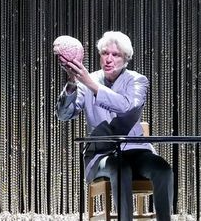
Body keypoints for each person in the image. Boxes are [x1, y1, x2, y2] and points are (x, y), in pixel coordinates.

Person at [55, 31, 173, 221]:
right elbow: (63, 115)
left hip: (137, 151)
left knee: (163, 169)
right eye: (104, 53)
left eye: (115, 55)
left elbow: (127, 105)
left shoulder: (137, 80)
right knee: (120, 168)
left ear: (126, 59)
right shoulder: (86, 81)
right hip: (101, 154)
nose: (108, 59)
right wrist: (71, 82)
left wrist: (90, 84)